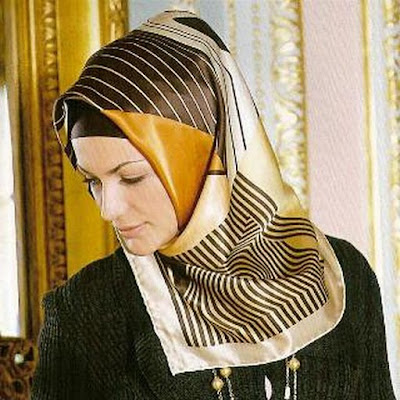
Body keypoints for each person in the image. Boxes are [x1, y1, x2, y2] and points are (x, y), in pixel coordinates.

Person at [31, 10, 395, 400]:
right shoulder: (83, 312)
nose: (109, 209)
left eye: (132, 177)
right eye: (92, 181)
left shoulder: (342, 278)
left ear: (205, 156)